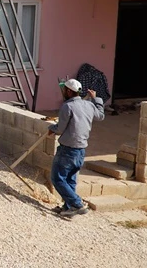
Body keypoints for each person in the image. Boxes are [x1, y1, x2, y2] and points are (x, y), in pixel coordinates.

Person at [48, 78, 104, 217]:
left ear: (68, 91)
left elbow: (60, 129)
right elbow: (101, 116)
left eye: (64, 90)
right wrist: (96, 99)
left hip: (68, 149)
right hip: (81, 150)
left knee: (57, 178)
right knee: (70, 179)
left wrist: (51, 128)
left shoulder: (67, 106)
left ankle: (77, 204)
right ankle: (68, 208)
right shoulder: (89, 105)